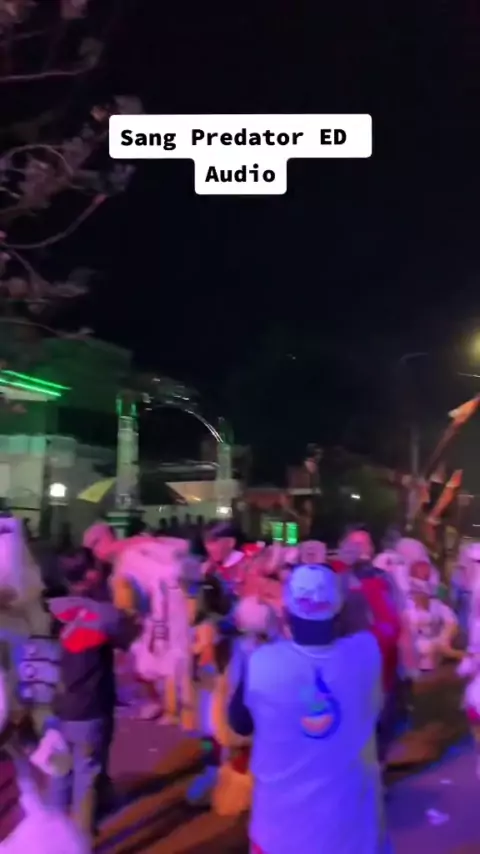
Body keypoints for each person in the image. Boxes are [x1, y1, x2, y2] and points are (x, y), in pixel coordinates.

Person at [228, 563, 388, 854]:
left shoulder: (260, 662)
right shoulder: (366, 653)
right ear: (337, 613)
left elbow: (239, 723)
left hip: (279, 834)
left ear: (287, 613)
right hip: (351, 835)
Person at [47, 548, 138, 839]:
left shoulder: (48, 610)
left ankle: (51, 839)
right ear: (89, 575)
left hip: (54, 707)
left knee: (59, 775)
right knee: (86, 778)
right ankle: (79, 842)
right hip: (90, 708)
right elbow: (130, 639)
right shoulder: (104, 614)